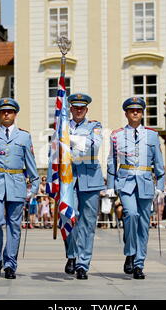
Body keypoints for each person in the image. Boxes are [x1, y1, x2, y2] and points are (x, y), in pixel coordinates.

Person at [0, 97, 40, 280]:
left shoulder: (24, 136)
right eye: (3, 111)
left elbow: (30, 162)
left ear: (15, 114)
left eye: (10, 111)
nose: (6, 114)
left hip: (17, 183)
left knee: (14, 225)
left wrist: (34, 184)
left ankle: (10, 263)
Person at [107, 97, 165, 279]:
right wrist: (110, 184)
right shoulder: (117, 135)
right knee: (131, 215)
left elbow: (159, 162)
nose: (135, 113)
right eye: (131, 110)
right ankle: (130, 252)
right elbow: (112, 161)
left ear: (142, 113)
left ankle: (139, 263)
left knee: (143, 224)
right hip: (126, 183)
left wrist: (160, 185)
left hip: (146, 182)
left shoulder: (152, 135)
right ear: (126, 113)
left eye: (138, 111)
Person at [64, 93, 105, 280]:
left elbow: (94, 146)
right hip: (68, 178)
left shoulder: (94, 126)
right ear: (70, 109)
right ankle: (71, 254)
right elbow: (53, 154)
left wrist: (70, 140)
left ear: (86, 110)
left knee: (88, 224)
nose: (79, 110)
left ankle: (82, 263)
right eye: (75, 107)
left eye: (82, 107)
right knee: (69, 219)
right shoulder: (62, 126)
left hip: (90, 177)